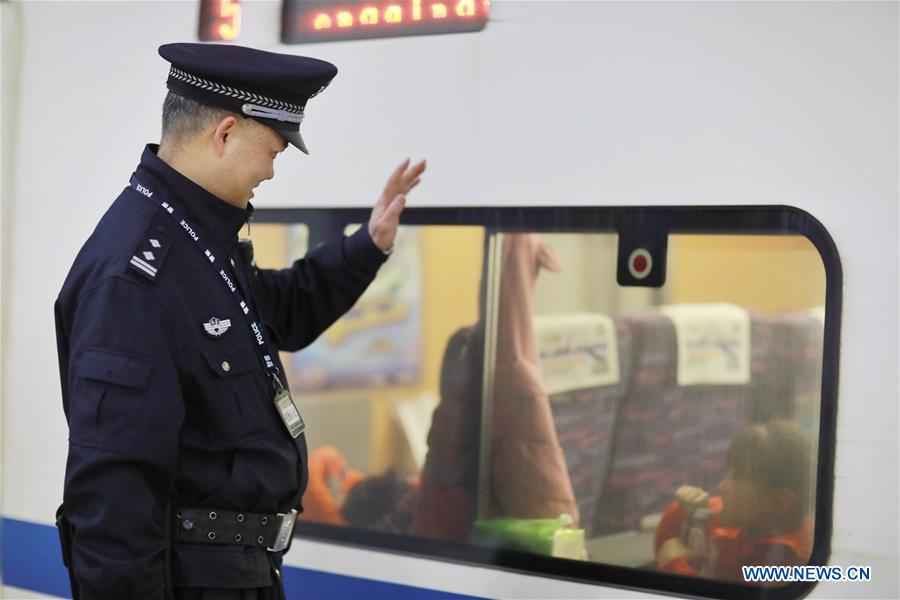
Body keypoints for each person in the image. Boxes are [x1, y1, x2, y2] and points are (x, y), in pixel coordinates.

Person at [54, 43, 426, 600]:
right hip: (191, 581)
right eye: (273, 149)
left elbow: (280, 311)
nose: (272, 171)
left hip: (237, 575)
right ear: (225, 133)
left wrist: (365, 248)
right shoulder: (135, 275)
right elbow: (115, 495)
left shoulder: (198, 240)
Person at [654, 420, 814, 583]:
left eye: (736, 477)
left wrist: (674, 568)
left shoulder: (787, 567)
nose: (722, 486)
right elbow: (667, 546)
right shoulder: (748, 522)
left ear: (777, 503)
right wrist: (683, 510)